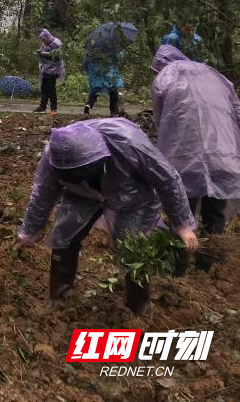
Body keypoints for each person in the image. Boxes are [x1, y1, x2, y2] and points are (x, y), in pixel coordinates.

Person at [14, 119, 198, 315]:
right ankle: (59, 298)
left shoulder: (129, 145)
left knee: (134, 247)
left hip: (131, 193)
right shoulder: (57, 157)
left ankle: (138, 307)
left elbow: (167, 179)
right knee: (64, 235)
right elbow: (42, 195)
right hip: (80, 193)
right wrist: (28, 233)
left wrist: (182, 224)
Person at [151, 45, 240, 270]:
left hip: (184, 154)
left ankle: (179, 267)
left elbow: (160, 120)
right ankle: (207, 264)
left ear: (160, 65)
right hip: (224, 151)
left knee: (182, 209)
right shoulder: (215, 75)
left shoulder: (164, 77)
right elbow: (236, 112)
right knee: (215, 211)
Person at [82, 48, 124, 116]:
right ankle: (114, 111)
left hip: (97, 74)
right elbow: (119, 58)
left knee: (95, 91)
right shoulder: (113, 47)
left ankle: (88, 105)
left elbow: (86, 62)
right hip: (110, 73)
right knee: (113, 91)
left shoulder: (92, 48)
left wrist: (89, 70)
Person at [34, 29, 65, 115]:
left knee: (51, 90)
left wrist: (43, 54)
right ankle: (42, 107)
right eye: (42, 39)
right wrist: (40, 52)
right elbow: (42, 50)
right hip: (45, 68)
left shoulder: (56, 43)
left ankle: (53, 109)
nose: (43, 41)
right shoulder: (44, 43)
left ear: (48, 37)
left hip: (53, 70)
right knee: (44, 89)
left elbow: (56, 56)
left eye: (44, 39)